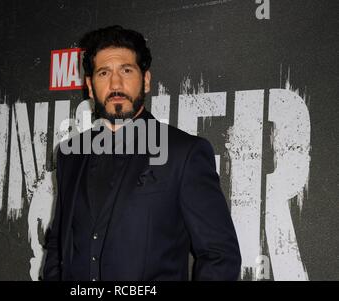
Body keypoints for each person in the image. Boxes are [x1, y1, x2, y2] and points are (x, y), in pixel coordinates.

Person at [43, 25, 241, 281]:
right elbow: (57, 244)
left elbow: (219, 256)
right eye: (104, 73)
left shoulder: (184, 154)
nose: (116, 83)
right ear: (90, 87)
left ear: (145, 80)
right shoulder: (69, 155)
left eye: (126, 70)